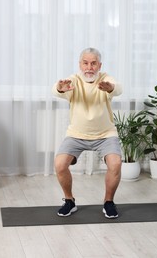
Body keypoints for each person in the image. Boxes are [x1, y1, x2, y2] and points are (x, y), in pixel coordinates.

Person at [52, 47, 122, 219]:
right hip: (76, 134)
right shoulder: (73, 80)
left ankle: (108, 202)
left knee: (116, 164)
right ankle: (69, 201)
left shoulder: (106, 79)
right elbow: (57, 89)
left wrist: (110, 88)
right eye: (85, 63)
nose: (89, 67)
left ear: (99, 65)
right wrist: (60, 88)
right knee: (60, 165)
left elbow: (118, 88)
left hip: (105, 134)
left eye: (93, 63)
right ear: (80, 64)